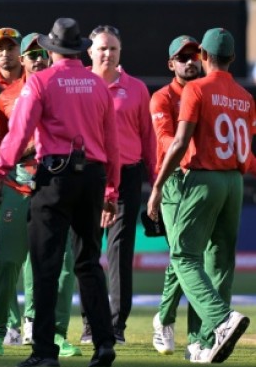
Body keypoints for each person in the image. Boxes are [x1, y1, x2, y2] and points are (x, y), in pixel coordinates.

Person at [0, 17, 119, 367]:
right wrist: (112, 190)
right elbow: (113, 143)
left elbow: (18, 133)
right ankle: (103, 343)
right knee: (88, 262)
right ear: (80, 49)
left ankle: (44, 351)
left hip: (55, 175)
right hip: (93, 174)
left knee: (45, 264)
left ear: (52, 49)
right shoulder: (98, 85)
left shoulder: (41, 82)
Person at [147, 28, 252, 363]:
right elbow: (246, 150)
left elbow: (177, 143)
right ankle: (206, 344)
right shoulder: (246, 98)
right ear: (233, 58)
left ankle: (221, 320)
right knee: (220, 262)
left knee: (184, 257)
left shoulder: (196, 89)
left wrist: (158, 185)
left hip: (204, 177)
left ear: (205, 56)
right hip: (235, 182)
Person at [0, 33, 81, 359]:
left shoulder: (66, 90)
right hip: (18, 186)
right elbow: (17, 138)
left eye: (43, 53)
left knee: (63, 264)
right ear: (22, 61)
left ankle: (55, 333)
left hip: (56, 186)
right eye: (31, 54)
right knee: (7, 260)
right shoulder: (9, 95)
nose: (38, 58)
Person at [81, 25, 156, 345]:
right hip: (87, 174)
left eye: (113, 48)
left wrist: (156, 180)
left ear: (120, 52)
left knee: (120, 251)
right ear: (89, 52)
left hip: (127, 175)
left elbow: (147, 137)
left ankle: (116, 326)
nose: (107, 53)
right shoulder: (79, 84)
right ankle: (89, 324)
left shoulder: (137, 88)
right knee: (85, 250)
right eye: (101, 48)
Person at [148, 35, 202, 355]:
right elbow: (167, 140)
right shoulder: (162, 97)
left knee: (193, 259)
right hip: (173, 180)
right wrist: (193, 149)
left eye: (194, 55)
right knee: (183, 254)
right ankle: (166, 320)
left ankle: (195, 338)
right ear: (171, 64)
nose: (189, 61)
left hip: (203, 179)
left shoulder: (207, 92)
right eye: (182, 57)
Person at [0, 27, 25, 92]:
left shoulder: (31, 79)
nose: (5, 54)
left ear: (21, 50)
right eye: (0, 49)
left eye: (10, 48)